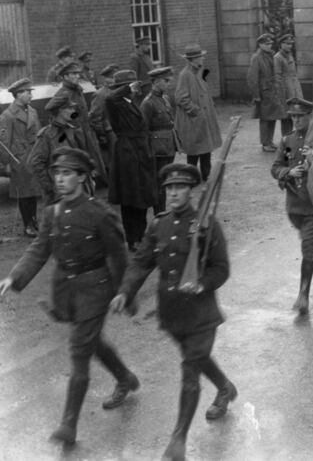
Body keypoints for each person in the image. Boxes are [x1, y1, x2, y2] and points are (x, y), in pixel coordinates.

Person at [0, 147, 138, 446]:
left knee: (79, 350)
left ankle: (68, 425)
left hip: (96, 288)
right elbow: (39, 248)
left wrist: (126, 293)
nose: (60, 180)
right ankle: (125, 377)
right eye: (57, 174)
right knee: (92, 341)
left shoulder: (99, 214)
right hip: (66, 289)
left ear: (82, 177)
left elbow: (119, 256)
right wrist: (14, 277)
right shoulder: (52, 212)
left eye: (67, 174)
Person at [110, 163, 236, 461]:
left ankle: (177, 440)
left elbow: (222, 269)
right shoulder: (158, 224)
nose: (174, 193)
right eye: (169, 188)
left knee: (190, 369)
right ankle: (225, 387)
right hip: (173, 313)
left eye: (180, 187)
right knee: (197, 358)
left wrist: (202, 284)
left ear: (191, 191)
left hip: (201, 313)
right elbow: (141, 262)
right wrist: (125, 291)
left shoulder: (207, 224)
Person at [271, 98, 313, 315]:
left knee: (307, 244)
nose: (296, 120)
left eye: (300, 116)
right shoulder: (288, 140)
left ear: (310, 117)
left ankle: (303, 296)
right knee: (310, 240)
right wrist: (287, 173)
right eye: (293, 116)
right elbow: (276, 167)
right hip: (295, 205)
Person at [105, 70, 157, 250]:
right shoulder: (116, 104)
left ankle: (140, 235)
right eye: (131, 86)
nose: (135, 89)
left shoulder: (131, 103)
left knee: (141, 196)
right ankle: (132, 239)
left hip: (140, 152)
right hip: (127, 156)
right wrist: (126, 88)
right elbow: (110, 98)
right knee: (130, 199)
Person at [51, 62, 108, 182]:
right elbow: (50, 108)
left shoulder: (77, 90)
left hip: (86, 132)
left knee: (93, 166)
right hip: (76, 136)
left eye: (78, 74)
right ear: (65, 76)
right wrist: (69, 126)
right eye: (74, 74)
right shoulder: (64, 93)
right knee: (79, 169)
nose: (77, 76)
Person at [174, 44, 222, 181]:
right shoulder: (185, 75)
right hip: (193, 119)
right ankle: (191, 177)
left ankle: (206, 175)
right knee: (194, 150)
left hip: (204, 118)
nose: (203, 59)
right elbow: (180, 98)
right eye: (200, 57)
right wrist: (196, 111)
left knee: (206, 149)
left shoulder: (199, 72)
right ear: (193, 59)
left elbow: (204, 92)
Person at [0, 78, 41, 236]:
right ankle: (28, 225)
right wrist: (6, 163)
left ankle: (34, 221)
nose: (31, 95)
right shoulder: (8, 115)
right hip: (19, 159)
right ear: (18, 95)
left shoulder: (33, 111)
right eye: (27, 92)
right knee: (24, 193)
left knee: (34, 191)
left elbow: (38, 133)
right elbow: (4, 142)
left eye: (30, 92)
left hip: (33, 155)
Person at [28, 97, 84, 204]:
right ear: (60, 111)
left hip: (74, 189)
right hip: (57, 195)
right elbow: (36, 162)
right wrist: (50, 187)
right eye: (69, 108)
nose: (73, 111)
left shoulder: (71, 130)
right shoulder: (46, 135)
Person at [141, 66, 177, 214]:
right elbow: (144, 130)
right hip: (157, 150)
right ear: (155, 82)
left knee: (165, 180)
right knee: (158, 183)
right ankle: (159, 213)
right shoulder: (148, 103)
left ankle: (162, 210)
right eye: (166, 81)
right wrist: (148, 152)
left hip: (168, 146)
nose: (169, 84)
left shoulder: (165, 98)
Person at [248, 33, 290, 152]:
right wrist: (256, 95)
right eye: (266, 44)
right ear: (260, 45)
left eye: (270, 44)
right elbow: (252, 78)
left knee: (272, 117)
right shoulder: (256, 57)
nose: (269, 46)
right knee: (265, 118)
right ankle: (265, 143)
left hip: (273, 91)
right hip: (264, 92)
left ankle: (269, 141)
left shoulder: (272, 55)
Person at [89, 64, 119, 174]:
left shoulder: (118, 90)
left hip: (120, 129)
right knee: (113, 161)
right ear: (106, 79)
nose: (114, 80)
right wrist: (101, 135)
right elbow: (95, 116)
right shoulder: (100, 94)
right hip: (110, 131)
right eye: (112, 77)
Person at [274, 34, 303, 102]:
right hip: (286, 87)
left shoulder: (290, 55)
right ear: (281, 44)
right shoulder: (277, 57)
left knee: (299, 104)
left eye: (291, 44)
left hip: (295, 85)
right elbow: (277, 76)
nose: (290, 46)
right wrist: (280, 90)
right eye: (287, 44)